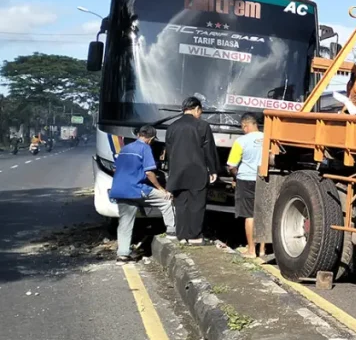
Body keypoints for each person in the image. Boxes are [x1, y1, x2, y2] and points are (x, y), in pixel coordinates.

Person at [107, 125, 175, 264]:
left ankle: (122, 255)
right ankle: (172, 232)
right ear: (150, 139)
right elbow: (149, 172)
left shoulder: (125, 149)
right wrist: (161, 188)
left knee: (125, 223)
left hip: (119, 190)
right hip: (136, 189)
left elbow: (115, 169)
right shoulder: (145, 148)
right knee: (166, 200)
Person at [165, 96, 219, 244]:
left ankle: (182, 235)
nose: (200, 114)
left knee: (181, 204)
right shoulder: (202, 126)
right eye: (200, 111)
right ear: (196, 109)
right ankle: (194, 236)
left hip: (177, 173)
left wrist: (172, 172)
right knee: (197, 204)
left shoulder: (172, 127)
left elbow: (169, 153)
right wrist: (213, 170)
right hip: (197, 171)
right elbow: (209, 150)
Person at [226, 113, 263, 258]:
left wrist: (235, 175)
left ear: (245, 125)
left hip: (246, 179)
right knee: (263, 213)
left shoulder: (241, 141)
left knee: (249, 215)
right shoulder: (268, 138)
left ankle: (251, 250)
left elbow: (231, 165)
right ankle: (262, 250)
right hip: (264, 179)